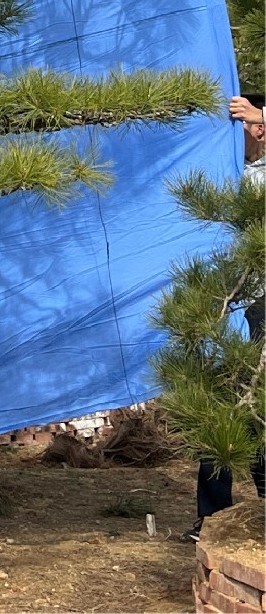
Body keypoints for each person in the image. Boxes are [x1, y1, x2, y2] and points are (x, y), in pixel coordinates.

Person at [181, 93, 265, 542]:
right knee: (222, 410)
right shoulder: (235, 175)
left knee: (255, 408)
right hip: (232, 304)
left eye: (240, 128)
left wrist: (263, 115)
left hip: (262, 309)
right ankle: (211, 517)